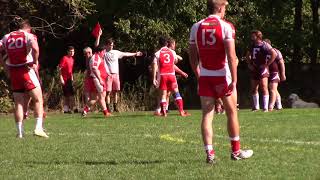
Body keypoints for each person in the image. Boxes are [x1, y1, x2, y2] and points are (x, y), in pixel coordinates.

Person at [189, 0, 253, 163]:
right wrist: (235, 79)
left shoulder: (196, 27)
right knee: (232, 112)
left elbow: (192, 56)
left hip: (206, 76)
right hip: (222, 76)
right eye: (225, 7)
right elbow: (231, 56)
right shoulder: (226, 26)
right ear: (219, 8)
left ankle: (210, 154)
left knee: (207, 115)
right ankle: (236, 151)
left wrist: (199, 74)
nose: (225, 10)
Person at [0, 18, 48, 138]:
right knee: (38, 99)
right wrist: (35, 62)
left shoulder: (5, 38)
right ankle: (38, 128)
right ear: (21, 26)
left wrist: (5, 67)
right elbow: (35, 48)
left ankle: (20, 133)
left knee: (19, 103)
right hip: (26, 69)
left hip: (14, 71)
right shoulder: (27, 35)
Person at [95, 31, 143, 112]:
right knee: (108, 92)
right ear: (106, 45)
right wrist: (98, 36)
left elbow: (125, 54)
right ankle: (108, 107)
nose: (111, 47)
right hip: (108, 75)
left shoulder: (115, 52)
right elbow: (96, 46)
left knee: (116, 91)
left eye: (112, 45)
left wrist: (135, 54)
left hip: (116, 75)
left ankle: (115, 107)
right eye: (110, 45)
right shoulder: (104, 53)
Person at [153, 37, 190, 117]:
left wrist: (154, 78)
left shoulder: (157, 53)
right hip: (171, 75)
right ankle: (181, 112)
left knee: (163, 94)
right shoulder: (172, 52)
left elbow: (155, 66)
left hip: (163, 76)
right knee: (176, 92)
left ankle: (164, 112)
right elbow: (174, 62)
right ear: (167, 44)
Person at [246, 30, 277, 112]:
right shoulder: (252, 45)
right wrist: (249, 64)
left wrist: (267, 64)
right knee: (254, 88)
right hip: (254, 68)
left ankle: (265, 108)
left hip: (262, 68)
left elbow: (274, 54)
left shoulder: (265, 45)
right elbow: (248, 55)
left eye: (253, 35)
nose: (252, 37)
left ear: (258, 36)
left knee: (264, 87)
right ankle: (256, 107)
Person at [82, 45, 112, 117]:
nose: (104, 53)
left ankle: (85, 110)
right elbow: (94, 68)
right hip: (97, 80)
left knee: (95, 98)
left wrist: (107, 74)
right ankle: (106, 113)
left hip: (96, 79)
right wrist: (100, 79)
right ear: (100, 51)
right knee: (102, 96)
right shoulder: (96, 57)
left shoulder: (97, 57)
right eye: (104, 52)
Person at [264, 39, 286, 111]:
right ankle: (279, 106)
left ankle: (270, 107)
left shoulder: (276, 51)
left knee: (273, 89)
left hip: (274, 72)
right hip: (266, 72)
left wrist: (283, 74)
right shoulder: (263, 52)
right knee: (273, 89)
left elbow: (281, 63)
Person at [58, 46, 76, 113]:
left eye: (73, 51)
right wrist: (61, 78)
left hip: (69, 79)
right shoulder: (64, 58)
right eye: (70, 51)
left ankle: (70, 109)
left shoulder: (72, 59)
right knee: (67, 95)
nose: (72, 53)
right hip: (64, 79)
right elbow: (59, 68)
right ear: (67, 51)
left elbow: (70, 70)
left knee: (71, 94)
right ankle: (67, 109)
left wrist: (72, 78)